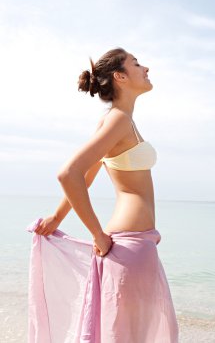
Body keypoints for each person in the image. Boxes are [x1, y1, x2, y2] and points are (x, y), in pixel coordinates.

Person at [32, 47, 179, 342]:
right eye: (137, 64)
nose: (146, 68)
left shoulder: (118, 121)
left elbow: (85, 179)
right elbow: (69, 173)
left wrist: (57, 218)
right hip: (129, 246)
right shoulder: (118, 121)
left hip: (134, 244)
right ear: (120, 76)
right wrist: (97, 234)